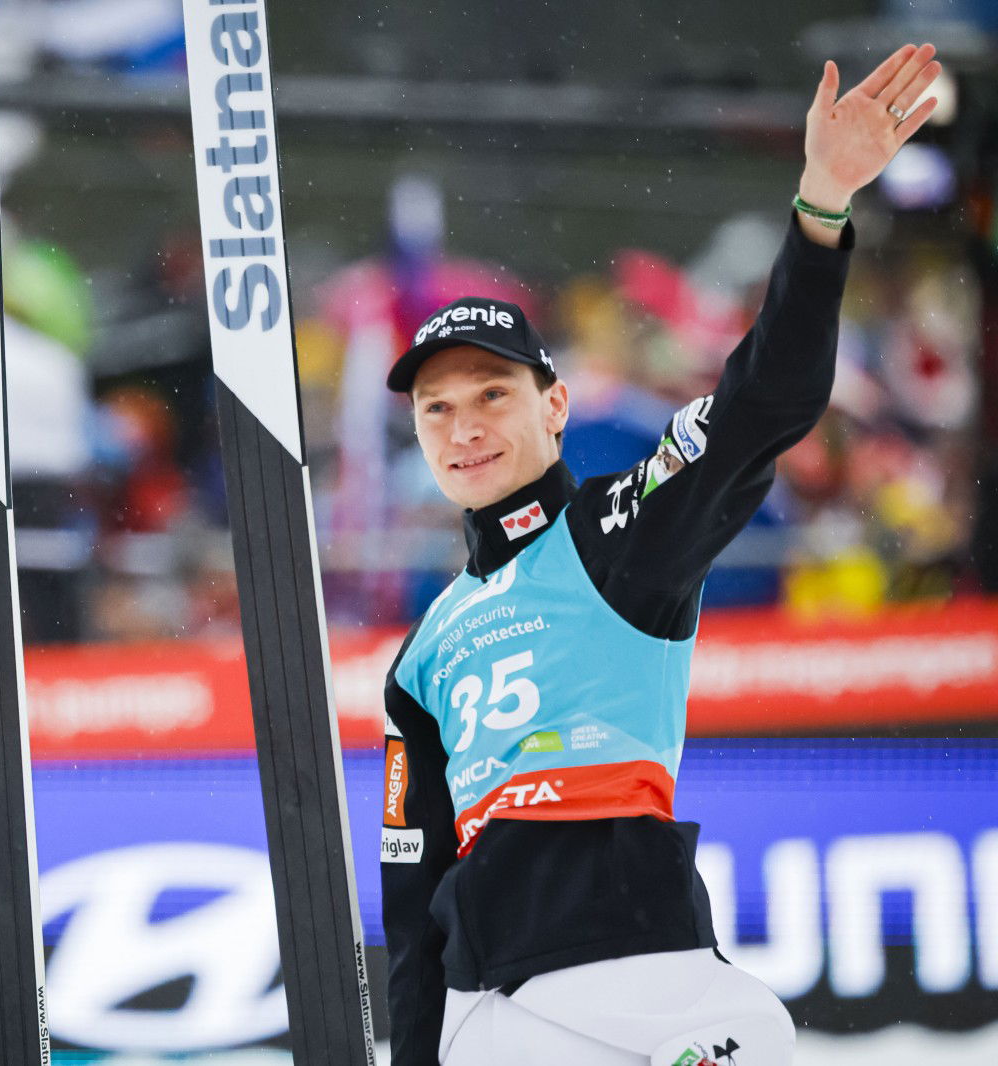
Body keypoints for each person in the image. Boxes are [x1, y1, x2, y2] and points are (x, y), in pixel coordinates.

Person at [380, 45, 939, 1066]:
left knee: (756, 1032)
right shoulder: (420, 653)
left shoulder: (613, 532)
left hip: (635, 972)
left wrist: (821, 205)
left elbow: (760, 409)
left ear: (555, 405)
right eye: (437, 410)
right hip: (491, 1010)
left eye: (491, 396)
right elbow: (410, 894)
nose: (462, 429)